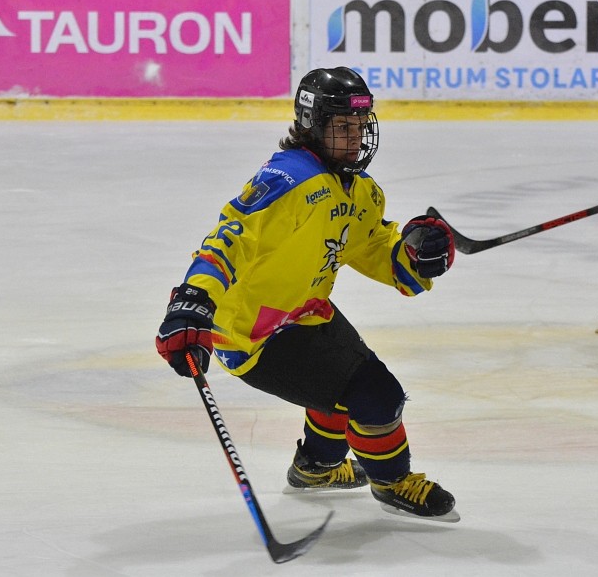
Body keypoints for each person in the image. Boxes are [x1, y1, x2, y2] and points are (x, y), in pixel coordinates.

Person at [156, 67, 460, 521]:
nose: (355, 138)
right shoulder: (290, 180)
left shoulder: (360, 190)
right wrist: (193, 301)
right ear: (312, 125)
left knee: (343, 385)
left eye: (360, 125)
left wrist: (415, 254)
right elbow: (230, 239)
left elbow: (374, 246)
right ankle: (393, 480)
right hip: (253, 335)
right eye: (342, 127)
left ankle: (316, 467)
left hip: (306, 312)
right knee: (377, 396)